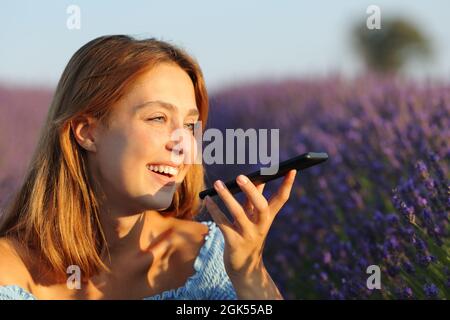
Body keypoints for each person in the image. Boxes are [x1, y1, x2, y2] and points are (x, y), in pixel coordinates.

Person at [0, 35, 297, 300]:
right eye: (157, 118)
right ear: (87, 132)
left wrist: (251, 278)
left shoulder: (206, 259)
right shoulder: (9, 270)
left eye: (191, 125)